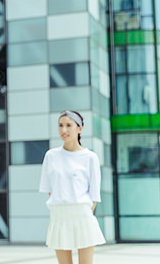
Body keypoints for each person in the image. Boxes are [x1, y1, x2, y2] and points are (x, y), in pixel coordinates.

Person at [39, 110, 105, 264]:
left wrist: (80, 210)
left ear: (79, 128)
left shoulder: (90, 157)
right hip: (59, 216)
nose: (64, 130)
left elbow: (94, 195)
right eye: (60, 125)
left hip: (82, 215)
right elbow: (50, 189)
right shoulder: (51, 156)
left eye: (69, 125)